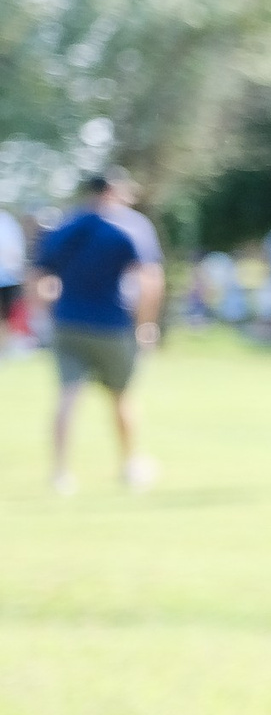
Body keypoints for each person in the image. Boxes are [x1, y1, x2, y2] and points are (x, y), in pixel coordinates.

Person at [32, 172, 164, 495]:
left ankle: (60, 473)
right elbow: (150, 281)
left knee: (67, 395)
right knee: (121, 396)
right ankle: (130, 464)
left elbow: (38, 276)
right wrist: (146, 324)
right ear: (113, 192)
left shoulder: (65, 226)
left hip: (67, 322)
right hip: (112, 324)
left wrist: (44, 315)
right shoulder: (130, 226)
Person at [0, 202, 26, 352]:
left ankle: (3, 349)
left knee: (6, 317)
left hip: (7, 279)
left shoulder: (6, 221)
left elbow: (15, 252)